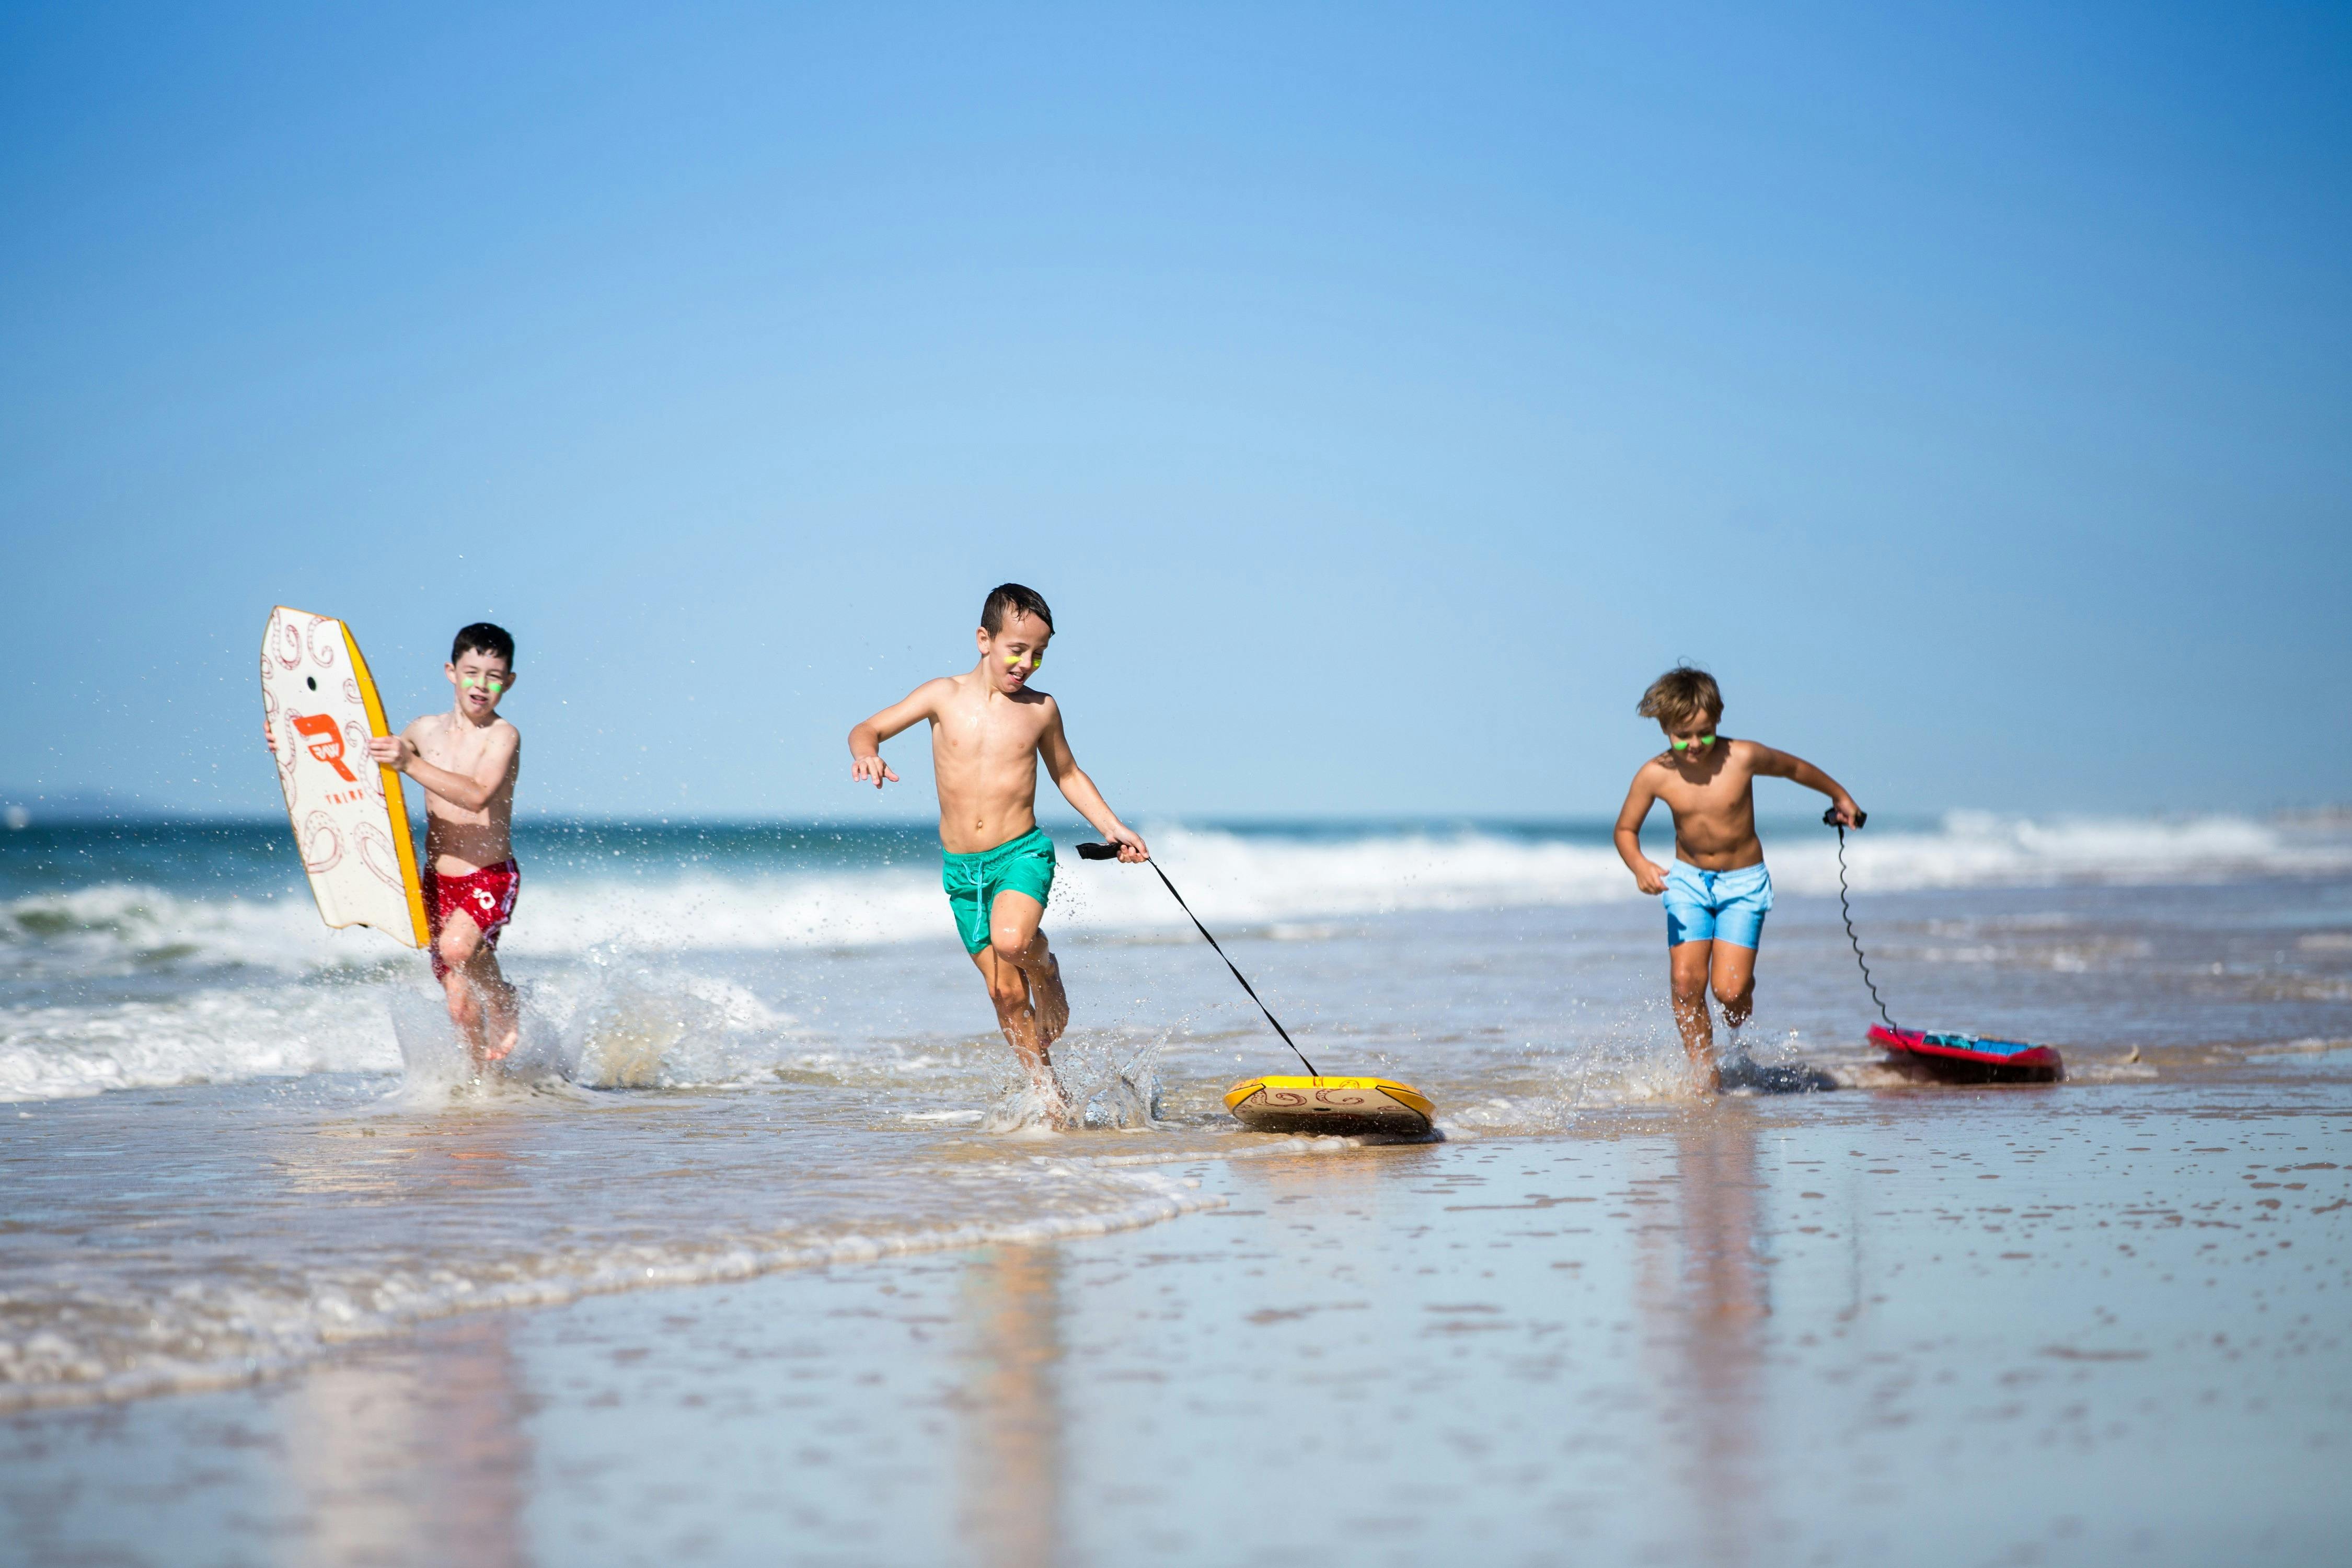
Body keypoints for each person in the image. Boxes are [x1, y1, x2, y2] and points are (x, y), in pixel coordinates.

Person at [847, 584, 1148, 1125]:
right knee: (1004, 995)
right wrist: (867, 752)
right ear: (984, 640)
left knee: (1014, 943)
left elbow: (1068, 774)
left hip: (1020, 854)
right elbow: (868, 727)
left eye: (1039, 654)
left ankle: (1046, 968)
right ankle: (1049, 1095)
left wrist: (1114, 828)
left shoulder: (1040, 710)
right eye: (1017, 649)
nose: (1027, 663)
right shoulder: (941, 696)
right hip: (963, 871)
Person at [1613, 665, 1862, 1092]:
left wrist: (1840, 796)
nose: (1695, 744)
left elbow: (1794, 769)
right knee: (1686, 982)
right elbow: (1624, 831)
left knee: (1728, 993)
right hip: (1688, 881)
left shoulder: (1741, 757)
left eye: (1704, 733)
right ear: (1664, 727)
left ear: (1719, 719)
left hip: (1743, 883)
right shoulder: (1655, 775)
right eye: (1682, 734)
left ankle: (1741, 991)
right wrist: (1639, 865)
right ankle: (1705, 1078)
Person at [367, 622, 524, 1067]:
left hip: (489, 874)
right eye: (472, 671)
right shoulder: (423, 730)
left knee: (458, 950)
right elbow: (367, 758)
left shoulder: (502, 736)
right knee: (458, 1004)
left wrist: (409, 763)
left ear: (508, 682)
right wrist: (290, 741)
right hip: (438, 881)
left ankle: (504, 997)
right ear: (451, 672)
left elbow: (477, 794)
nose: (481, 685)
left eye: (494, 676)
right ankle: (481, 1083)